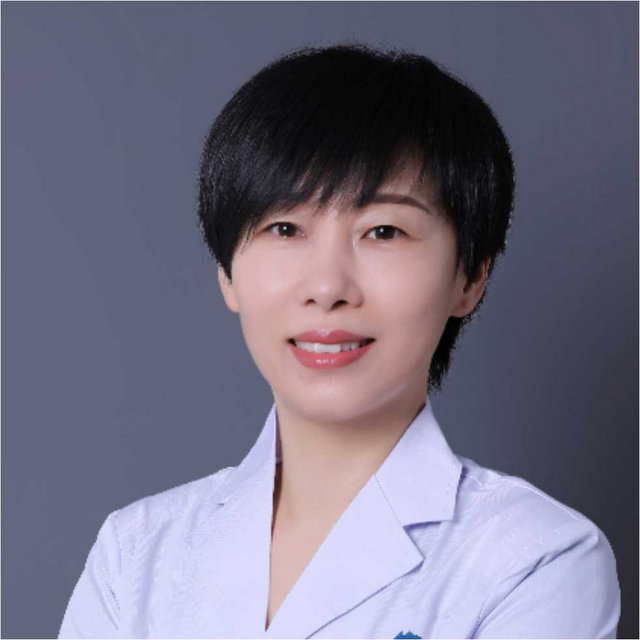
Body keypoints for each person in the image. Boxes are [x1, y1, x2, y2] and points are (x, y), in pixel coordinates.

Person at [59, 43, 621, 638]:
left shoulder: (537, 561)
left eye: (384, 231)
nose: (327, 288)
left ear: (470, 277)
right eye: (284, 228)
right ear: (227, 273)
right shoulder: (135, 553)